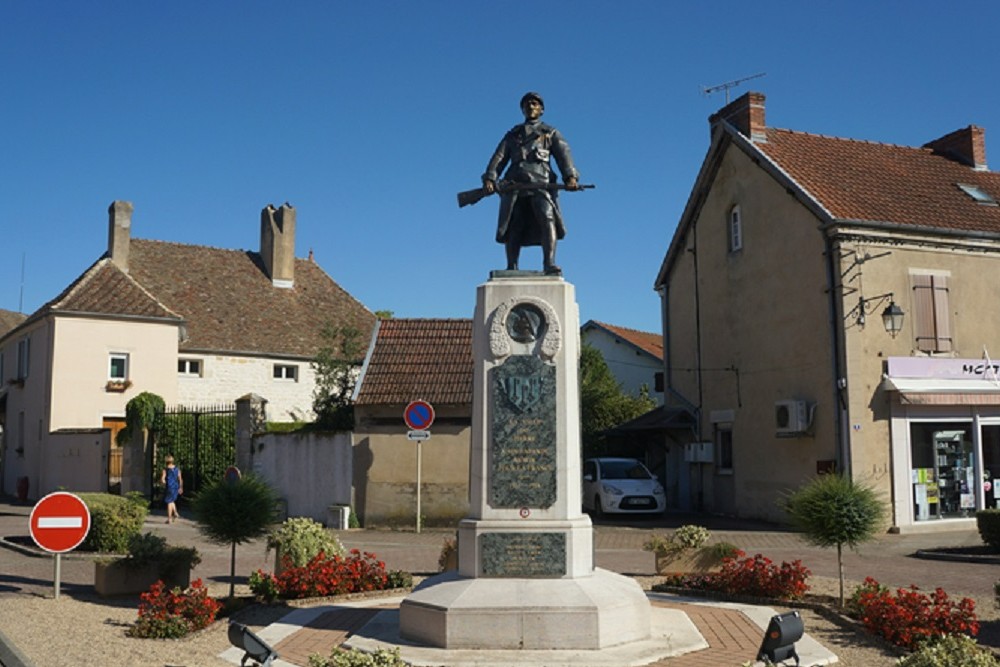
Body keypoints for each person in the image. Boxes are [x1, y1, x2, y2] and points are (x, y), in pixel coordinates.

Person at [482, 92, 581, 275]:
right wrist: (490, 177)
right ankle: (512, 266)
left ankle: (549, 263)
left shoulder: (549, 133)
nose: (531, 107)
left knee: (546, 218)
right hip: (515, 185)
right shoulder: (513, 135)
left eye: (535, 104)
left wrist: (570, 177)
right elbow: (499, 157)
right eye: (527, 104)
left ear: (541, 109)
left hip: (541, 184)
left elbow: (563, 155)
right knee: (514, 223)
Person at [161, 455, 183, 523]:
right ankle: (175, 513)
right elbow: (180, 479)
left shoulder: (165, 469)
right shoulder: (177, 469)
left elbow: (162, 479)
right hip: (175, 486)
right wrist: (181, 487)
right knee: (172, 500)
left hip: (169, 486)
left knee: (169, 502)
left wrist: (163, 483)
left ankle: (169, 518)